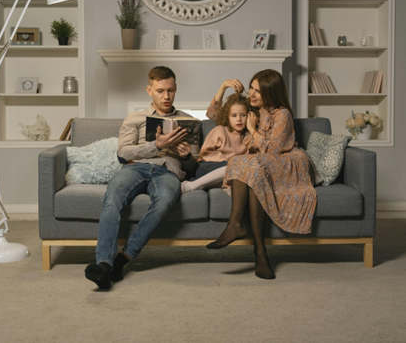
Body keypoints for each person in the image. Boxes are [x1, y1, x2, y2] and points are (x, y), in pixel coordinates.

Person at [85, 66, 198, 290]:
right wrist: (156, 145)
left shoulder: (189, 121)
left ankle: (123, 259)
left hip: (168, 171)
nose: (166, 96)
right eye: (160, 91)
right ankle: (104, 265)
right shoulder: (135, 118)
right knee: (112, 200)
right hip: (135, 168)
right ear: (149, 90)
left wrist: (187, 156)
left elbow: (194, 166)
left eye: (170, 90)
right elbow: (122, 153)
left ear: (175, 89)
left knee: (165, 201)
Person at [206, 70, 317, 280]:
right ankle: (258, 252)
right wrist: (223, 87)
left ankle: (235, 226)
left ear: (271, 92)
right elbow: (213, 115)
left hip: (285, 163)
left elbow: (273, 150)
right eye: (252, 88)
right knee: (246, 165)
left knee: (247, 163)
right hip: (259, 166)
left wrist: (252, 129)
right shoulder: (251, 107)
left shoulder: (282, 114)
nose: (253, 94)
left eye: (258, 90)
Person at [181, 81, 254, 194]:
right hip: (208, 167)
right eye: (234, 116)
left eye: (243, 115)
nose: (239, 119)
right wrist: (224, 86)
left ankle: (218, 186)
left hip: (232, 171)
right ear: (227, 117)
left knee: (242, 174)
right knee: (234, 168)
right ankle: (191, 186)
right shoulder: (220, 130)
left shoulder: (249, 136)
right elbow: (204, 155)